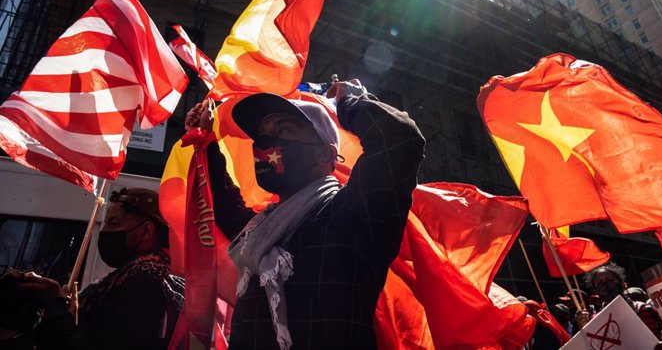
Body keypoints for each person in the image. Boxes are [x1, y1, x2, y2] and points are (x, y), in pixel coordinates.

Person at [185, 80, 425, 350]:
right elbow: (224, 205)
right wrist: (205, 139)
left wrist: (350, 102)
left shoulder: (353, 214)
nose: (265, 143)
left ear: (324, 154)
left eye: (283, 131)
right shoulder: (258, 232)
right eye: (262, 135)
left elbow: (399, 139)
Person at [5, 188, 184, 350]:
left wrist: (54, 303)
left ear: (146, 231)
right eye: (105, 223)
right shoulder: (137, 276)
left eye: (114, 224)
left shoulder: (147, 281)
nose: (104, 231)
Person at [576, 262, 662, 339]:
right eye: (600, 283)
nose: (606, 285)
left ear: (622, 284)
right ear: (596, 291)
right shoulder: (595, 321)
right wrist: (585, 328)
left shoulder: (646, 310)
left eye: (610, 280)